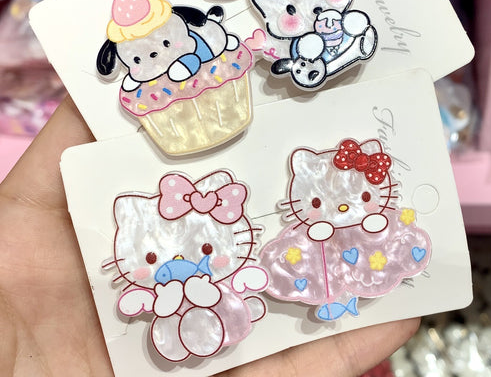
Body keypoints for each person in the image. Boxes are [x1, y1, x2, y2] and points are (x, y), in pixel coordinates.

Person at [0, 96, 419, 376]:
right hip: (168, 319)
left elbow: (247, 277)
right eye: (150, 257)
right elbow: (135, 299)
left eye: (204, 246)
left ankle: (330, 297)